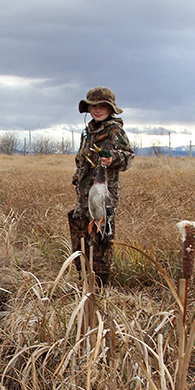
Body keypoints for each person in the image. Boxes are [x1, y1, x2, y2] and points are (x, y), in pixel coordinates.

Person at [68, 86, 134, 285]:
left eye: (102, 106)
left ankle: (100, 288)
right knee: (81, 238)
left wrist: (113, 159)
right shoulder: (87, 132)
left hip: (103, 195)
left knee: (101, 240)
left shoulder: (114, 130)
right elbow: (82, 161)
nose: (97, 110)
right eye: (93, 106)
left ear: (110, 109)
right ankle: (84, 283)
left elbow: (128, 157)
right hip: (84, 196)